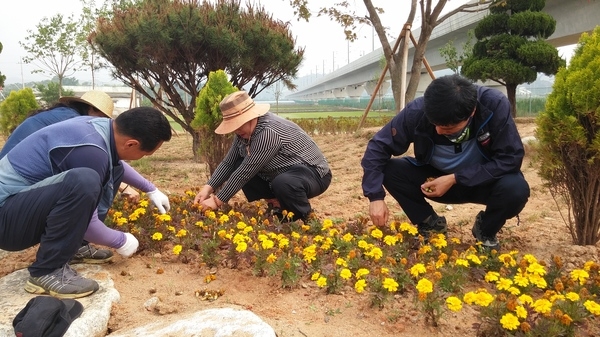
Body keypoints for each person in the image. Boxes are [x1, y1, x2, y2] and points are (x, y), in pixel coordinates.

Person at [0, 107, 172, 298]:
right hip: (6, 222)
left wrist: (150, 188)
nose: (142, 158)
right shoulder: (91, 151)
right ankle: (47, 270)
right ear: (131, 144)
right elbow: (89, 222)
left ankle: (75, 246)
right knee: (84, 181)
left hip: (17, 208)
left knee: (111, 170)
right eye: (145, 154)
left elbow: (116, 164)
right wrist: (120, 240)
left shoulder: (100, 129)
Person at [361, 74, 530, 251]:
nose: (438, 131)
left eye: (448, 128)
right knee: (390, 170)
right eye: (434, 124)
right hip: (435, 182)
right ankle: (430, 223)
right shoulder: (417, 111)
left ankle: (486, 230)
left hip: (483, 181)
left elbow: (511, 158)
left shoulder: (493, 105)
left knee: (516, 189)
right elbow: (378, 147)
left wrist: (455, 178)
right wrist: (375, 197)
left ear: (471, 112)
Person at [193, 91, 332, 222]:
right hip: (282, 173)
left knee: (283, 182)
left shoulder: (268, 132)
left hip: (314, 174)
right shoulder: (244, 133)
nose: (236, 129)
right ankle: (278, 204)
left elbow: (245, 173)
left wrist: (217, 201)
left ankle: (305, 217)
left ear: (251, 117)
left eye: (238, 124)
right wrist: (207, 188)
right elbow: (228, 163)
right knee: (238, 163)